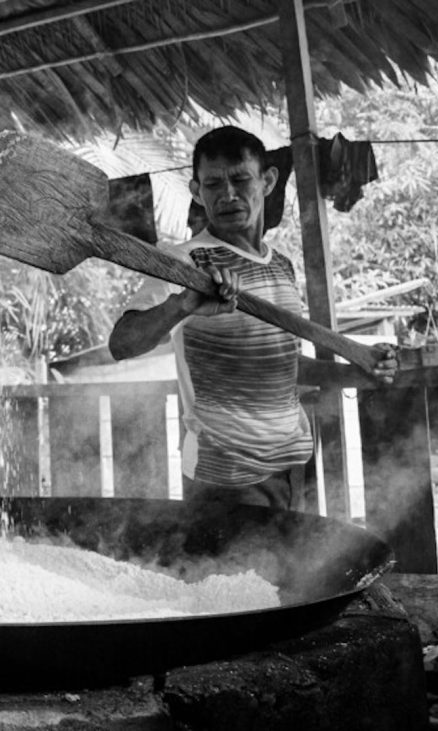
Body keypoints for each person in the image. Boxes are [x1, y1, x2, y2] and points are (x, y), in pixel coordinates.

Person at [108, 125, 396, 511]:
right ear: (196, 192)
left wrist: (359, 371)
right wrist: (183, 304)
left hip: (294, 467)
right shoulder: (184, 262)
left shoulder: (281, 267)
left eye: (240, 179)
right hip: (225, 477)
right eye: (213, 184)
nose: (227, 194)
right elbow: (121, 344)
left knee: (295, 572)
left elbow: (284, 366)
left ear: (268, 181)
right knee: (235, 574)